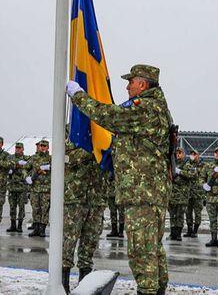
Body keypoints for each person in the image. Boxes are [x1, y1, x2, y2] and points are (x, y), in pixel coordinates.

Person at [66, 64, 172, 295]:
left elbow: (109, 116)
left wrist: (79, 96)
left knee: (141, 251)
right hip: (146, 192)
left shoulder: (146, 108)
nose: (127, 86)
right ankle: (157, 290)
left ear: (142, 84)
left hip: (142, 193)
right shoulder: (153, 107)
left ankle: (148, 291)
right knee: (152, 248)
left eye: (131, 82)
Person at [62, 139, 106, 293]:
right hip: (75, 197)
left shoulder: (102, 133)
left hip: (97, 198)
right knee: (68, 241)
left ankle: (84, 286)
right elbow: (67, 158)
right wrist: (92, 149)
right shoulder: (73, 133)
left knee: (90, 243)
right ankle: (63, 285)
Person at [26, 140, 52, 237]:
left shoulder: (51, 159)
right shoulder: (33, 158)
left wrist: (50, 167)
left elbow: (60, 168)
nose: (42, 147)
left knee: (44, 210)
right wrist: (26, 177)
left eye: (44, 146)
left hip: (46, 189)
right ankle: (36, 229)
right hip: (35, 189)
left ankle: (42, 230)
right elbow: (25, 168)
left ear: (48, 147)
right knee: (35, 209)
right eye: (41, 146)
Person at [6, 142, 30, 233]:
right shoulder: (10, 157)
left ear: (23, 149)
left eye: (19, 148)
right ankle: (12, 225)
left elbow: (30, 165)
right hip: (12, 186)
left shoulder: (26, 158)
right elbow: (7, 165)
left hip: (22, 187)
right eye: (16, 148)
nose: (17, 149)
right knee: (12, 207)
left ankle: (19, 226)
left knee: (21, 207)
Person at [168, 147, 190, 241]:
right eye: (177, 153)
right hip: (172, 194)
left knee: (180, 215)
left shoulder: (187, 165)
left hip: (182, 195)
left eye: (180, 153)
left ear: (183, 154)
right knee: (172, 216)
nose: (178, 154)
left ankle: (178, 234)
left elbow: (192, 175)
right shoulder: (172, 164)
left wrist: (180, 172)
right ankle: (172, 233)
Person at [183, 150, 203, 238]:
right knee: (188, 212)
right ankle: (189, 230)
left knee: (197, 212)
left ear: (198, 155)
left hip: (198, 193)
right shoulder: (187, 165)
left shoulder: (202, 165)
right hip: (188, 192)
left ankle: (195, 231)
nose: (192, 155)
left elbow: (196, 175)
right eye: (191, 154)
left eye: (194, 154)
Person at [106, 171, 125, 239]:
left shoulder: (121, 167)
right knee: (113, 212)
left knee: (121, 212)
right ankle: (114, 230)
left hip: (120, 193)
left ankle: (121, 231)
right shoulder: (109, 167)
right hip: (111, 193)